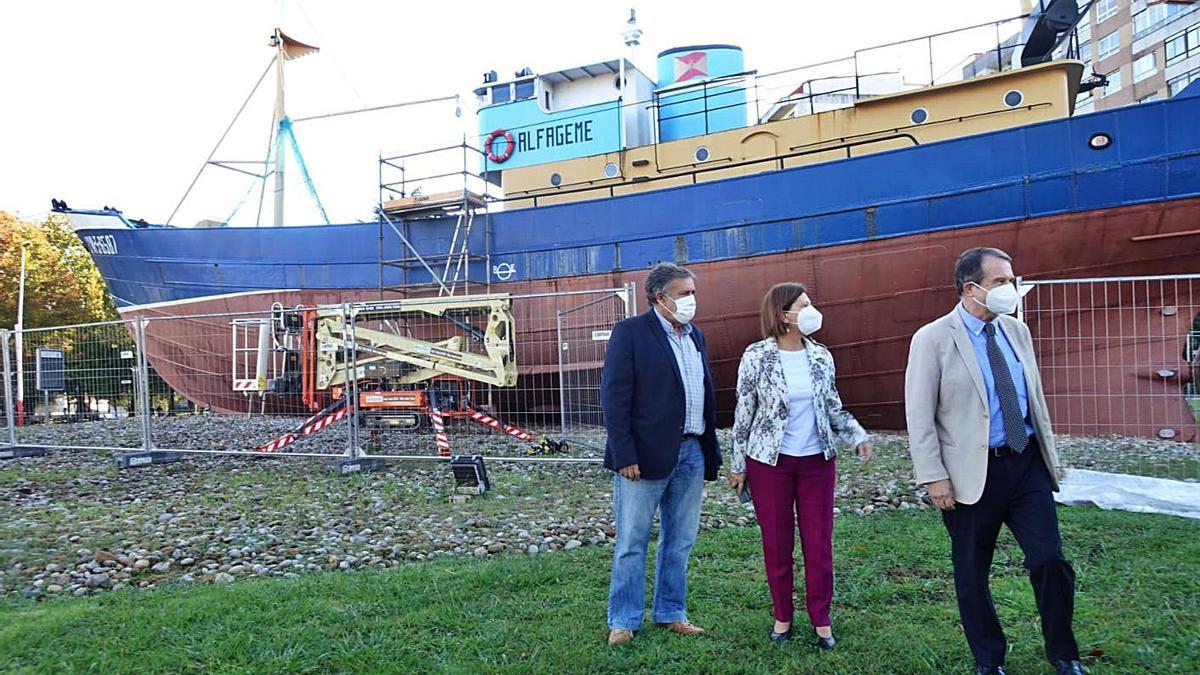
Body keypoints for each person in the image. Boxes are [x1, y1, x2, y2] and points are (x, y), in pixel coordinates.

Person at [904, 247, 1085, 675]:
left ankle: (1064, 653)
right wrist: (933, 477)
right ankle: (989, 660)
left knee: (1049, 560)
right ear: (972, 288)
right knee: (971, 573)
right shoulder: (932, 338)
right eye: (1002, 282)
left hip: (1026, 464)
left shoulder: (1015, 331)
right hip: (971, 473)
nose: (1012, 289)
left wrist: (1049, 457)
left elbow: (1032, 400)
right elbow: (919, 414)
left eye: (1012, 279)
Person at [728, 282, 873, 648]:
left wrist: (857, 435)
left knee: (818, 543)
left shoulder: (822, 355)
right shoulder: (756, 356)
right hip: (769, 465)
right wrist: (737, 463)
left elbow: (832, 406)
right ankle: (782, 617)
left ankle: (821, 619)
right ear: (783, 314)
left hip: (817, 463)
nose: (812, 310)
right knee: (777, 545)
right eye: (804, 305)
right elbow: (744, 413)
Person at [601, 262, 722, 646]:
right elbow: (615, 397)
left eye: (693, 292)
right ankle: (624, 619)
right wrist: (624, 454)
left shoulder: (695, 336)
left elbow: (703, 395)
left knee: (680, 539)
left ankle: (671, 611)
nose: (692, 300)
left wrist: (710, 450)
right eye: (685, 293)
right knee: (631, 542)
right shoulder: (631, 333)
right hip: (644, 456)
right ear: (660, 297)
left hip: (691, 451)